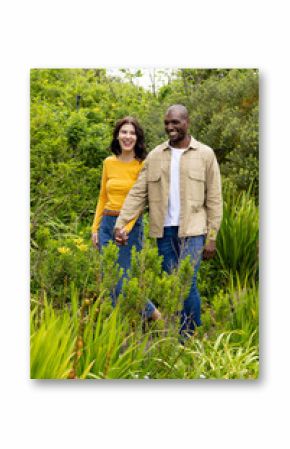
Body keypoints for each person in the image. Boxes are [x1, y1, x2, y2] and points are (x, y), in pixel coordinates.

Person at [114, 105, 222, 337]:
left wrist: (212, 236)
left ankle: (189, 336)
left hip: (193, 231)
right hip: (164, 231)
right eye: (167, 123)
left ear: (187, 122)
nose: (170, 127)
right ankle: (180, 330)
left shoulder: (205, 154)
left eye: (175, 122)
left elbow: (214, 198)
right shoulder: (155, 156)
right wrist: (121, 223)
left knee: (186, 282)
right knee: (173, 283)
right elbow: (138, 193)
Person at [91, 116, 161, 321]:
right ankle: (119, 328)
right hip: (107, 224)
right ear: (117, 135)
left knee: (125, 281)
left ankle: (156, 317)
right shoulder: (108, 163)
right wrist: (95, 228)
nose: (127, 136)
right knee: (110, 278)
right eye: (124, 132)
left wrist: (126, 228)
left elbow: (141, 200)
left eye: (132, 133)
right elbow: (102, 197)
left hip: (130, 226)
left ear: (137, 138)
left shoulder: (142, 165)